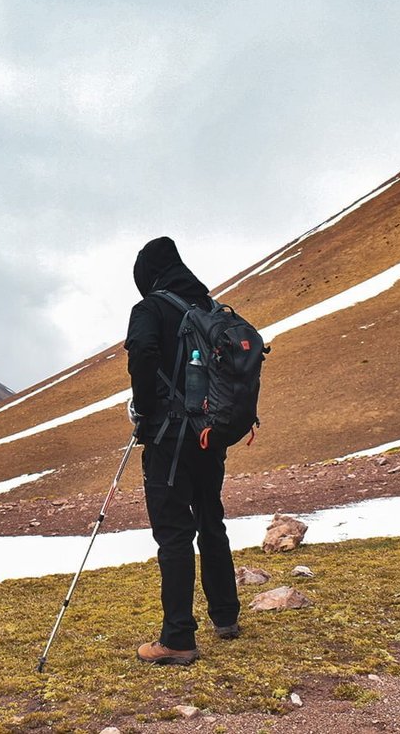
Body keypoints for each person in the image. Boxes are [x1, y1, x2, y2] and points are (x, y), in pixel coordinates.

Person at [125, 236, 240, 665]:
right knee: (211, 519)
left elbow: (142, 351)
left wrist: (145, 411)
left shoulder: (151, 308)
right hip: (210, 435)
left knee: (173, 532)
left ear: (147, 275)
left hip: (168, 438)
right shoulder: (209, 308)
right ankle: (226, 616)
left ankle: (177, 638)